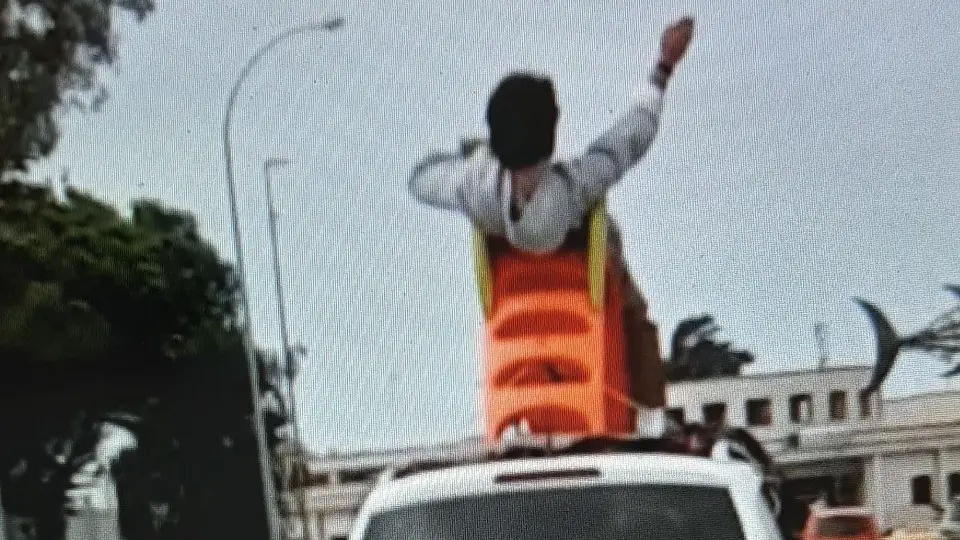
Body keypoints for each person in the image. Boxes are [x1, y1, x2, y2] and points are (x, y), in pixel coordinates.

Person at [407, 17, 695, 418]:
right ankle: (649, 418)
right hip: (590, 301)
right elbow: (629, 139)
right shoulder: (573, 191)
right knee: (636, 315)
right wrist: (663, 68)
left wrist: (473, 159)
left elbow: (420, 180)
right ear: (550, 139)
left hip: (514, 312)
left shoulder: (472, 187)